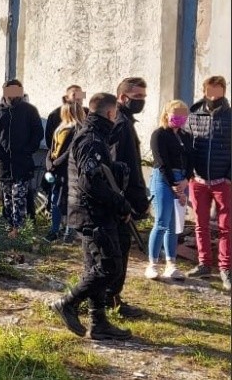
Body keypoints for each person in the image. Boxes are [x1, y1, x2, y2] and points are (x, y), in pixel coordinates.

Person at [50, 92, 133, 341]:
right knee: (109, 267)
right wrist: (120, 203)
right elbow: (90, 182)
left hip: (90, 212)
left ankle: (99, 322)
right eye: (116, 113)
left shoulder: (95, 134)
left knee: (95, 267)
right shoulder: (92, 139)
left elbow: (98, 173)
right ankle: (68, 302)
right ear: (110, 113)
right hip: (92, 214)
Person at [108, 77, 149, 317]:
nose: (142, 101)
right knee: (119, 249)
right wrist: (130, 201)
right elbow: (122, 167)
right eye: (137, 97)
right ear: (123, 98)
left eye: (143, 97)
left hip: (122, 198)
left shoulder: (124, 122)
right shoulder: (121, 124)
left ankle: (113, 297)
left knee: (120, 249)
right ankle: (112, 299)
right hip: (119, 200)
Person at [185, 75, 231, 291]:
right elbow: (186, 145)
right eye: (210, 90)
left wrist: (230, 177)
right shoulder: (194, 115)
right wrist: (189, 174)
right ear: (204, 91)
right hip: (199, 180)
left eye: (218, 90)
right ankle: (204, 264)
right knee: (200, 225)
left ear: (223, 91)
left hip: (224, 181)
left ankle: (225, 268)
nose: (214, 94)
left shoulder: (230, 116)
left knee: (226, 227)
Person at [0, 79, 44, 239]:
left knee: (19, 197)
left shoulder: (29, 110)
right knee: (7, 198)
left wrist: (28, 149)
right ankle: (10, 227)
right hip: (3, 164)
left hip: (22, 162)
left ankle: (20, 230)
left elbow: (38, 132)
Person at [145, 100, 193, 280]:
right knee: (162, 222)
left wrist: (186, 180)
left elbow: (191, 160)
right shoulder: (159, 135)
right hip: (163, 180)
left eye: (183, 116)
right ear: (167, 114)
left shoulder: (187, 136)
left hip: (182, 181)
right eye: (176, 115)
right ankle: (152, 264)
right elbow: (161, 161)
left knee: (175, 225)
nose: (180, 119)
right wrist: (173, 184)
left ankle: (171, 264)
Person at [43, 102, 86, 243]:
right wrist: (49, 161)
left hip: (68, 171)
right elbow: (52, 146)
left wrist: (56, 163)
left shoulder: (79, 128)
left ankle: (69, 231)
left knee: (69, 202)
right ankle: (54, 230)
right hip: (55, 170)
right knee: (54, 200)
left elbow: (70, 151)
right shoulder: (61, 127)